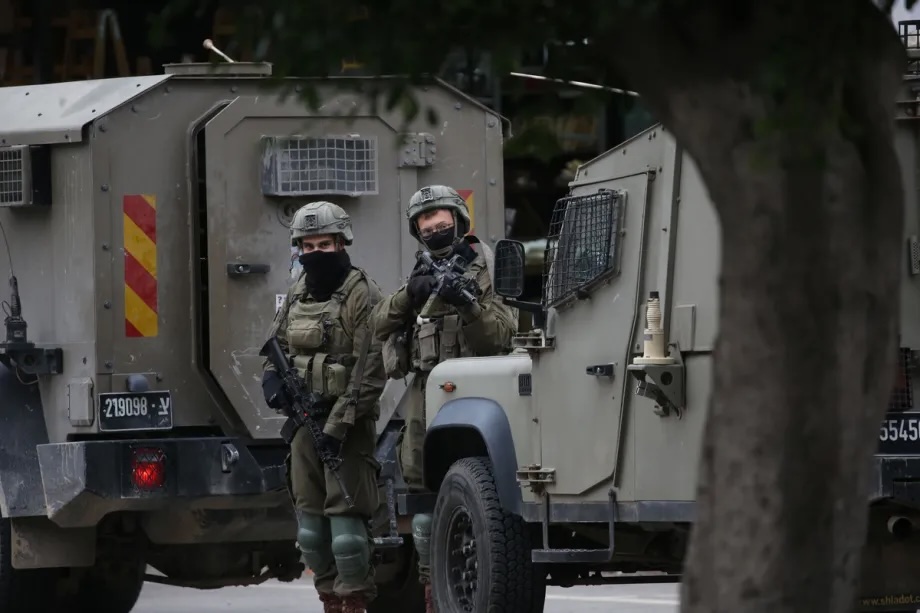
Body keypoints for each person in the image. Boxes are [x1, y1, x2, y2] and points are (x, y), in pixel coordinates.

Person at [370, 185, 518, 611]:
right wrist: (409, 294)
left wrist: (467, 302)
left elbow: (502, 337)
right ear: (416, 230)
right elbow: (380, 323)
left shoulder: (484, 267)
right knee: (421, 510)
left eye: (442, 221)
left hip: (477, 394)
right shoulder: (420, 271)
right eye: (425, 223)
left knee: (477, 503)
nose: (434, 229)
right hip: (424, 397)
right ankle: (434, 597)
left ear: (458, 219)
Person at [261, 201, 386, 613]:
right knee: (311, 533)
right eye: (308, 246)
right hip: (302, 424)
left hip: (345, 427)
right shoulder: (298, 289)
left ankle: (354, 602)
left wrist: (337, 425)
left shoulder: (361, 293)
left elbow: (370, 370)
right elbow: (276, 345)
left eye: (325, 244)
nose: (316, 253)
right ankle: (329, 599)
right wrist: (273, 381)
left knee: (347, 533)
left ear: (341, 242)